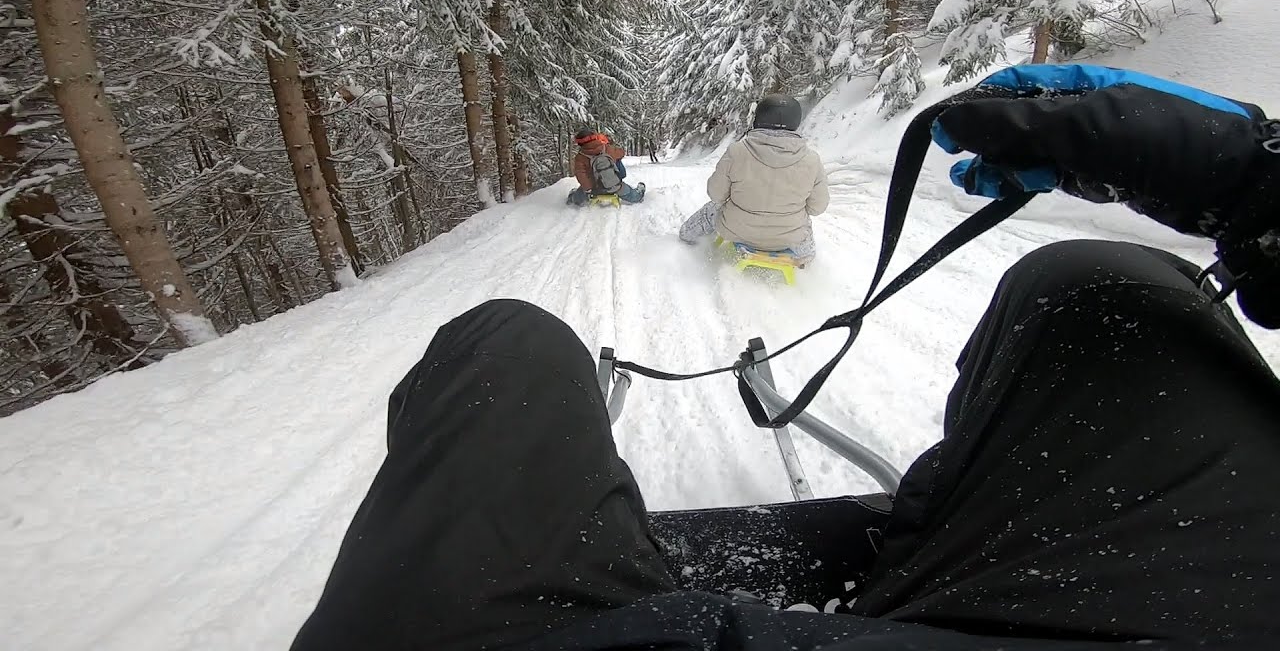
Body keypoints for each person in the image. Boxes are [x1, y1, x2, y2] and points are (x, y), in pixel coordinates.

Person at [290, 65, 1280, 650]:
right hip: (1220, 602)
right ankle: (935, 527)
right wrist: (1260, 192)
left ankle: (932, 526)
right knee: (1106, 280)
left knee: (502, 339)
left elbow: (719, 192)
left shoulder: (724, 150)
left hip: (734, 234)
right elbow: (810, 209)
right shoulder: (807, 162)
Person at [679, 93, 829, 265]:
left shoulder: (737, 151)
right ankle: (804, 264)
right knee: (806, 239)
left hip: (737, 230)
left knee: (711, 209)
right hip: (790, 239)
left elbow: (716, 194)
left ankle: (685, 237)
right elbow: (818, 208)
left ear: (759, 118)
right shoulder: (812, 160)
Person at [567, 128, 646, 205]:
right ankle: (639, 191)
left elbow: (581, 175)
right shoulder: (607, 148)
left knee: (577, 198)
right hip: (614, 186)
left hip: (594, 188)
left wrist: (588, 189)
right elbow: (621, 153)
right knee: (635, 196)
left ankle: (573, 197)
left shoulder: (580, 157)